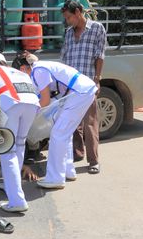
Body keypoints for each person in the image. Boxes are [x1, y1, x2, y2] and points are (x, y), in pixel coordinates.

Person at [12, 53, 97, 189]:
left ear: (22, 69)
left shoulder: (38, 71)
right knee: (65, 133)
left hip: (79, 92)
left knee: (58, 134)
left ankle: (55, 178)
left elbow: (45, 101)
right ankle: (68, 171)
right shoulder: (39, 68)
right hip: (81, 91)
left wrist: (30, 114)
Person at [0, 52, 40, 212]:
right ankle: (11, 184)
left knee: (7, 150)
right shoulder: (16, 71)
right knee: (19, 145)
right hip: (32, 104)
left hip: (11, 103)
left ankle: (17, 200)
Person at [60, 0, 106, 174]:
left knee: (90, 123)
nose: (68, 21)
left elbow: (100, 55)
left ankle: (94, 161)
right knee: (72, 122)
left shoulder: (96, 29)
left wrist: (97, 79)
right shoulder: (68, 33)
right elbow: (64, 59)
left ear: (79, 12)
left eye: (69, 17)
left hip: (87, 85)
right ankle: (77, 153)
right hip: (71, 86)